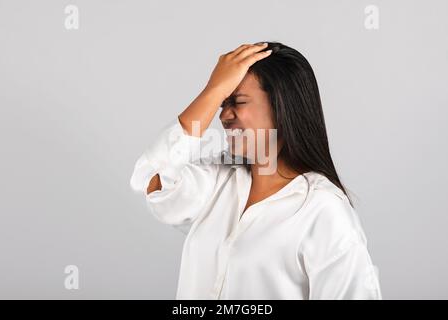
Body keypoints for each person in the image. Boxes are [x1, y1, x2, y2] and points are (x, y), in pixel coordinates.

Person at [130, 41, 382, 300]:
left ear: (282, 106)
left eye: (237, 101)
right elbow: (154, 182)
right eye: (221, 103)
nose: (223, 116)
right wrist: (213, 91)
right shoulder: (219, 178)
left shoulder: (322, 209)